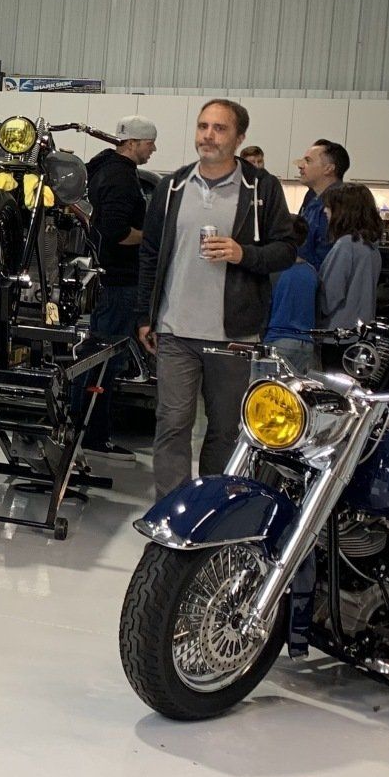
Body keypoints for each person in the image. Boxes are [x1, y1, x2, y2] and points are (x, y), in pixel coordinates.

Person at [137, 99, 296, 499]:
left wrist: (244, 254)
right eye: (203, 126)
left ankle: (210, 508)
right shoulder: (171, 186)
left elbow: (287, 249)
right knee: (172, 424)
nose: (208, 135)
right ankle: (171, 511)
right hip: (175, 331)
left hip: (233, 336)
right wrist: (145, 315)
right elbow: (151, 254)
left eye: (220, 128)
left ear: (239, 138)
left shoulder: (262, 188)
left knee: (225, 430)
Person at [77, 115, 157, 458]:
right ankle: (91, 434)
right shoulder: (122, 178)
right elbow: (116, 232)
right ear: (134, 143)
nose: (154, 149)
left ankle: (85, 428)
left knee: (98, 356)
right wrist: (154, 237)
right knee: (104, 359)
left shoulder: (100, 169)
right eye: (150, 143)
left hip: (108, 278)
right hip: (121, 281)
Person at [319, 181, 384, 330]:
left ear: (343, 211)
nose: (325, 211)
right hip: (362, 331)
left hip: (338, 333)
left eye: (329, 207)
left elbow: (329, 297)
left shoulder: (346, 245)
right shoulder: (371, 246)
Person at [263, 216, 319, 373]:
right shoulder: (311, 271)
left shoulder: (274, 271)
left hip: (277, 340)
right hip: (307, 343)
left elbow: (265, 307)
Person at [295, 139, 349, 268]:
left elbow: (326, 260)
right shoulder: (313, 199)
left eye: (308, 161)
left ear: (329, 168)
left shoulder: (337, 206)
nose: (300, 166)